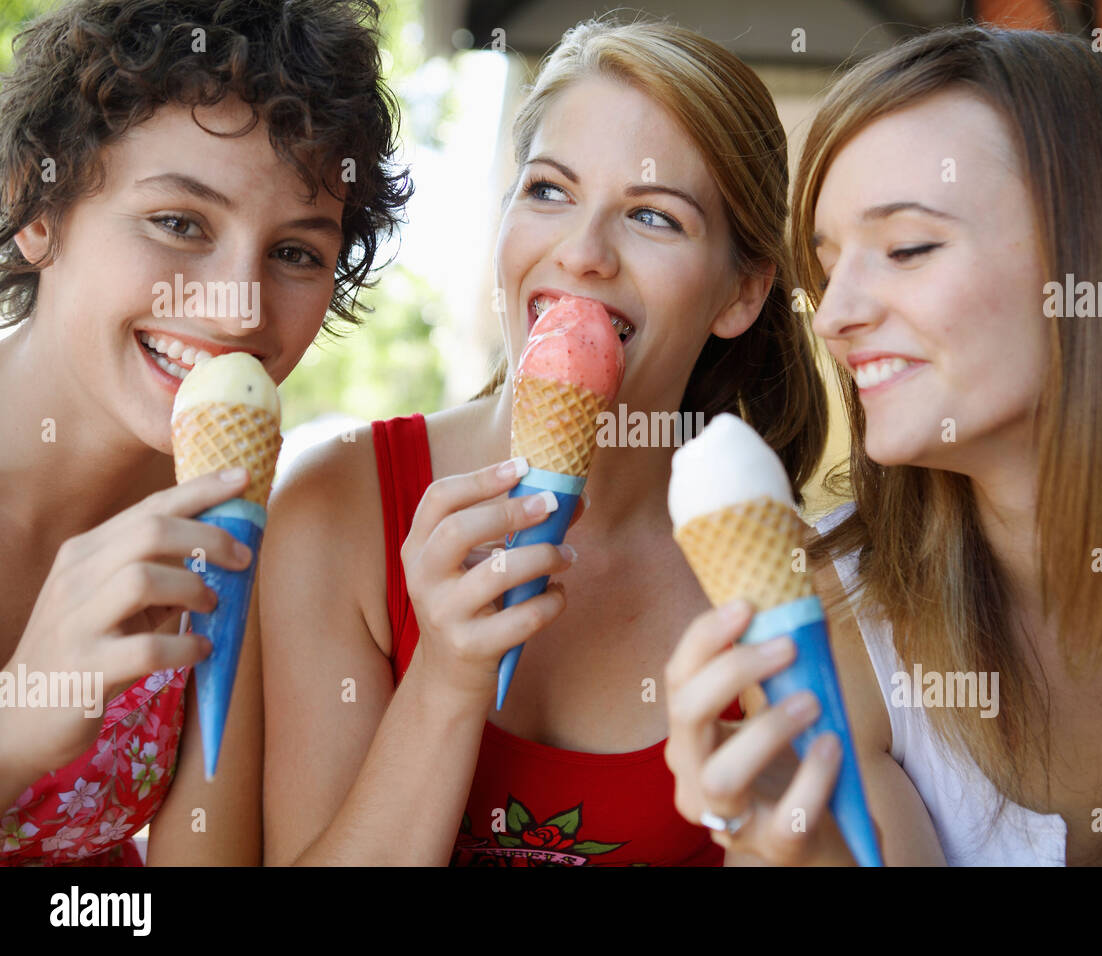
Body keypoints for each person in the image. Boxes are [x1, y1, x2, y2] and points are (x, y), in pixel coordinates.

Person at [663, 24, 1102, 866]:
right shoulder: (842, 615)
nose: (838, 311)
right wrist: (793, 851)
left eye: (907, 248)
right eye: (827, 264)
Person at [260, 17, 828, 866]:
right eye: (549, 191)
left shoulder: (788, 583)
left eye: (655, 217)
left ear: (741, 294)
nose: (583, 252)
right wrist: (447, 676)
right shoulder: (336, 508)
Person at [0, 0, 408, 865]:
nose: (236, 309)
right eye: (179, 223)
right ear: (34, 208)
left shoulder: (232, 529)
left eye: (297, 252)